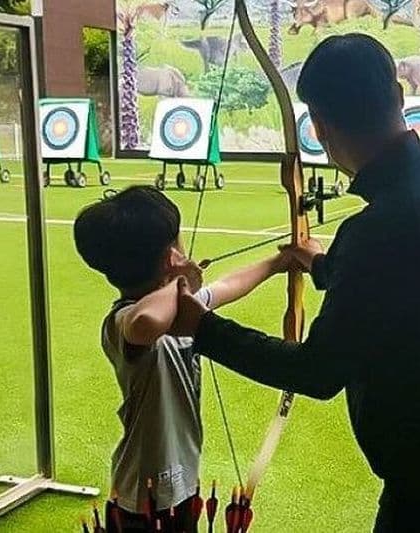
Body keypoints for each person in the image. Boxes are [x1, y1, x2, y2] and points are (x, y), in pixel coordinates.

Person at [170, 34, 420, 532]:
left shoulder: (380, 228)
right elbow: (418, 291)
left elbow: (320, 372)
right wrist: (324, 265)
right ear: (400, 97)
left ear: (319, 127)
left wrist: (204, 328)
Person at [73, 185, 290, 531]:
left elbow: (226, 286)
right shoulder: (121, 321)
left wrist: (279, 263)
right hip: (142, 496)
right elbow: (144, 323)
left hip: (178, 484)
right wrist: (178, 283)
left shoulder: (179, 306)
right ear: (171, 256)